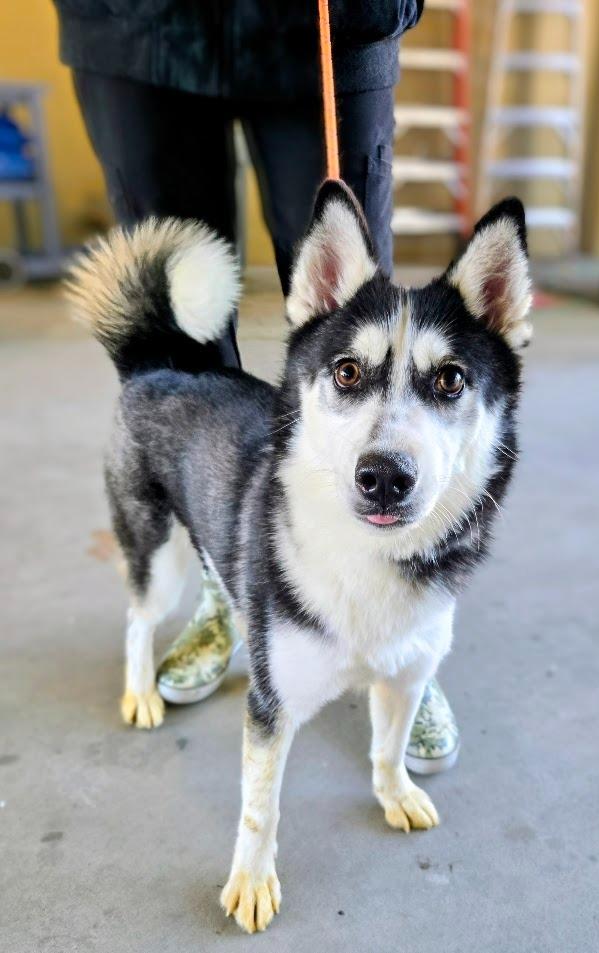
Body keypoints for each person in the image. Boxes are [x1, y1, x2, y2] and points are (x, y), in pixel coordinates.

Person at [54, 0, 460, 774]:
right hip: (136, 26)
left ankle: (398, 645)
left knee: (356, 332)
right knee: (174, 352)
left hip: (330, 23)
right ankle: (228, 590)